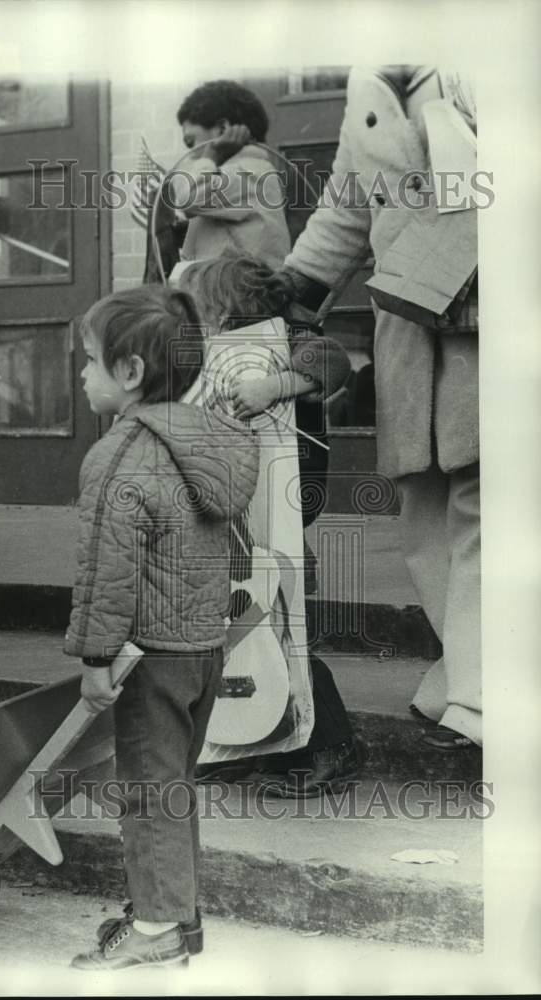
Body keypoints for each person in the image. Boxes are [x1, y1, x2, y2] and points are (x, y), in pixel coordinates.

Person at [272, 66, 481, 750]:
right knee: (423, 506)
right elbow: (347, 204)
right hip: (410, 319)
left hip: (492, 316)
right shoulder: (370, 80)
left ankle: (483, 700)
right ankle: (464, 676)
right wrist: (293, 288)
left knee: (489, 505)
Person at [64, 285, 259, 970]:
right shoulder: (211, 444)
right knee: (173, 788)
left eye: (88, 361)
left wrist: (94, 659)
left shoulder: (120, 455)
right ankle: (178, 918)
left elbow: (104, 572)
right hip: (204, 651)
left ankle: (156, 933)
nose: (82, 376)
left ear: (130, 374)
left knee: (148, 795)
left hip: (149, 656)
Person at [178, 251, 359, 797]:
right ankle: (244, 743)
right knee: (232, 635)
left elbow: (333, 362)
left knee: (284, 633)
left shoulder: (289, 338)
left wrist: (274, 386)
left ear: (231, 309)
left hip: (276, 519)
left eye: (201, 310)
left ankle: (330, 746)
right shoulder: (212, 356)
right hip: (233, 519)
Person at [143, 79, 291, 281]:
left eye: (191, 141)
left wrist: (211, 154)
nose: (192, 154)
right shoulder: (234, 175)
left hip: (244, 297)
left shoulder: (248, 172)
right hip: (231, 290)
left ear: (222, 130)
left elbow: (189, 198)